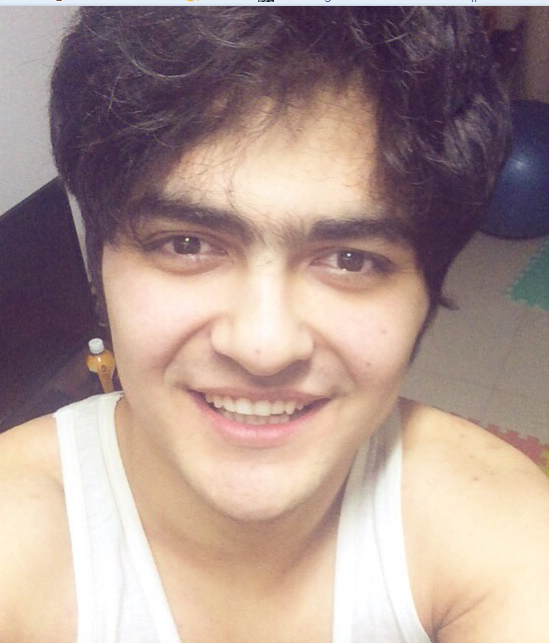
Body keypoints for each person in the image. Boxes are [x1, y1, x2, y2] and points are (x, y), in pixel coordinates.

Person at [1, 7, 548, 642]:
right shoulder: (17, 530)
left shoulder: (500, 527)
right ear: (98, 269)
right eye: (186, 244)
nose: (263, 347)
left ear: (425, 295)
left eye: (350, 259)